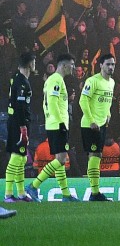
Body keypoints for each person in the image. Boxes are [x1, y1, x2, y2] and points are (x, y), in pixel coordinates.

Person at [27, 53, 77, 202]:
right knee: (61, 160)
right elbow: (53, 102)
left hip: (54, 124)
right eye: (72, 64)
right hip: (57, 125)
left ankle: (66, 194)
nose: (73, 67)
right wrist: (61, 123)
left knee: (59, 160)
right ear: (63, 65)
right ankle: (34, 185)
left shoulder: (54, 80)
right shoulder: (56, 80)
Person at [79, 52, 116, 201]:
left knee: (98, 155)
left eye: (113, 64)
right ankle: (94, 193)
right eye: (108, 64)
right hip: (90, 124)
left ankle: (95, 192)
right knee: (94, 155)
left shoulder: (111, 83)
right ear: (100, 65)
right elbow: (83, 100)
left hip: (101, 124)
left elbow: (107, 102)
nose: (111, 67)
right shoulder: (92, 80)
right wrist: (91, 120)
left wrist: (108, 114)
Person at [4, 52, 36, 203]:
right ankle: (9, 194)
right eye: (33, 62)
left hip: (17, 122)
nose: (35, 65)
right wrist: (23, 127)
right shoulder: (22, 83)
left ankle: (21, 193)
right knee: (17, 157)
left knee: (22, 158)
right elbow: (20, 106)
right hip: (18, 123)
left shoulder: (17, 79)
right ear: (30, 64)